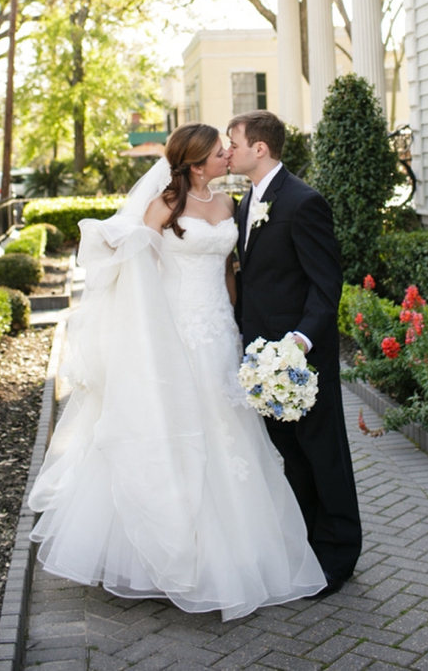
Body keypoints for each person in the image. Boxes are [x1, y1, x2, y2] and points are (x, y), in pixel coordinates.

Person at [28, 122, 325, 620]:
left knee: (230, 434)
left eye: (228, 149)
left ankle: (237, 552)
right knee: (177, 429)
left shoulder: (230, 205)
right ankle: (167, 555)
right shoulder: (163, 206)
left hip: (220, 332)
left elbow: (230, 272)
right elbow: (137, 274)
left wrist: (240, 329)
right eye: (218, 151)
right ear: (194, 162)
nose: (227, 155)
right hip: (176, 332)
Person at [227, 110, 362, 596]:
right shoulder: (245, 203)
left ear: (259, 148)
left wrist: (298, 344)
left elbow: (326, 287)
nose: (229, 150)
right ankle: (306, 545)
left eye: (234, 142)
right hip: (261, 357)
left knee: (324, 454)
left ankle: (340, 555)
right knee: (291, 457)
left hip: (302, 358)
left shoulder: (304, 202)